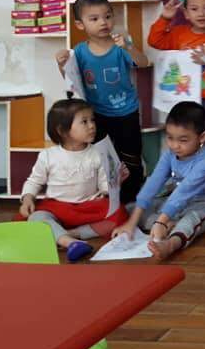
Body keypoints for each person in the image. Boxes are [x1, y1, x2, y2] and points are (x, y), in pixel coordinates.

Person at [55, 0, 149, 203]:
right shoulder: (79, 52)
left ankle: (131, 199)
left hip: (127, 111)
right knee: (102, 157)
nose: (103, 22)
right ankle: (107, 197)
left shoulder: (120, 46)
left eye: (107, 16)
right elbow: (71, 80)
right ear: (80, 24)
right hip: (96, 114)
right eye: (94, 18)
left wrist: (129, 47)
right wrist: (62, 65)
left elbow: (143, 63)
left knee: (131, 157)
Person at [113, 102, 205, 260]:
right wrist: (132, 222)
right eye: (170, 138)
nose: (174, 145)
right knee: (130, 209)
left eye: (183, 140)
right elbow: (154, 182)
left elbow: (184, 191)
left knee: (191, 220)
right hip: (175, 201)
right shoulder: (170, 154)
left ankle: (171, 243)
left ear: (202, 137)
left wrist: (160, 221)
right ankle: (169, 223)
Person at [18, 99, 128, 261]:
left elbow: (104, 185)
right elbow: (34, 181)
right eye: (84, 122)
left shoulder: (98, 153)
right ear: (62, 130)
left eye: (92, 120)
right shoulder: (48, 155)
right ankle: (70, 243)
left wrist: (113, 184)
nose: (92, 126)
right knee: (36, 217)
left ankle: (71, 234)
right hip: (56, 207)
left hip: (88, 207)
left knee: (120, 213)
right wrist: (28, 199)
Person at [147, 0, 205, 156]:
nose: (201, 13)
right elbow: (154, 41)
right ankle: (184, 167)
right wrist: (165, 18)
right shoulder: (178, 33)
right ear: (186, 13)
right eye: (194, 9)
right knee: (183, 138)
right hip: (182, 99)